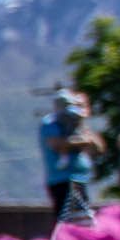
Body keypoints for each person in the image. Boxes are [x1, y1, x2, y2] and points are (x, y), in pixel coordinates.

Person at [42, 87, 103, 223]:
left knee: (84, 220)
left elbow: (98, 148)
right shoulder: (50, 123)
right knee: (66, 220)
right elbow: (57, 144)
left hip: (80, 179)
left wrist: (81, 125)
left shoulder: (78, 124)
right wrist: (82, 141)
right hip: (62, 179)